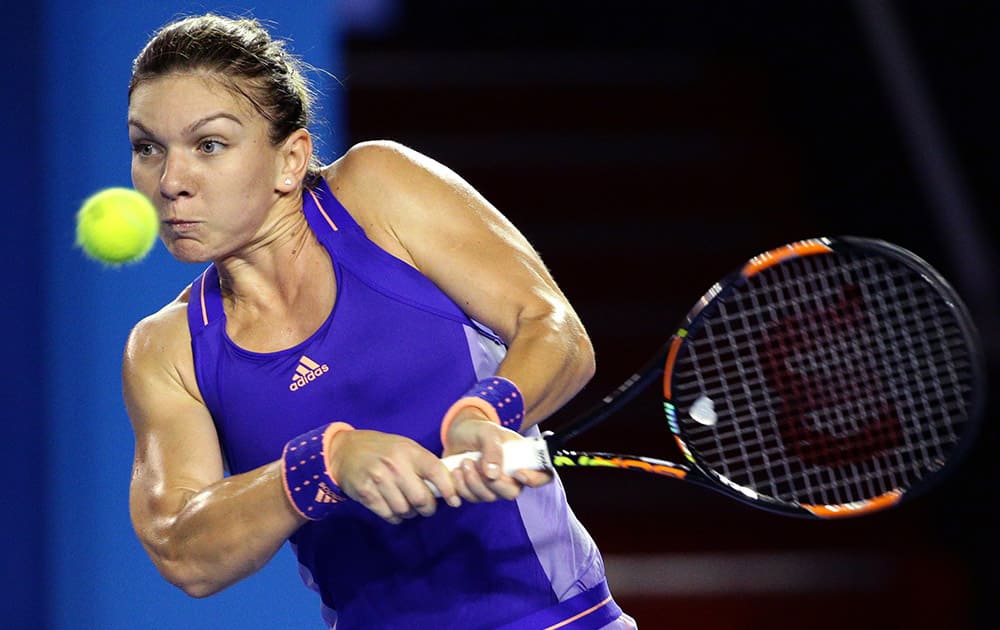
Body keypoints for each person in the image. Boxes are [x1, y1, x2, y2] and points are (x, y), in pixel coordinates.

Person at [122, 13, 635, 629]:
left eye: (209, 145)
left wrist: (486, 411)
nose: (172, 181)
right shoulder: (166, 347)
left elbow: (553, 328)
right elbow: (183, 549)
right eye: (148, 147)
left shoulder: (377, 190)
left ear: (291, 160)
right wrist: (323, 465)